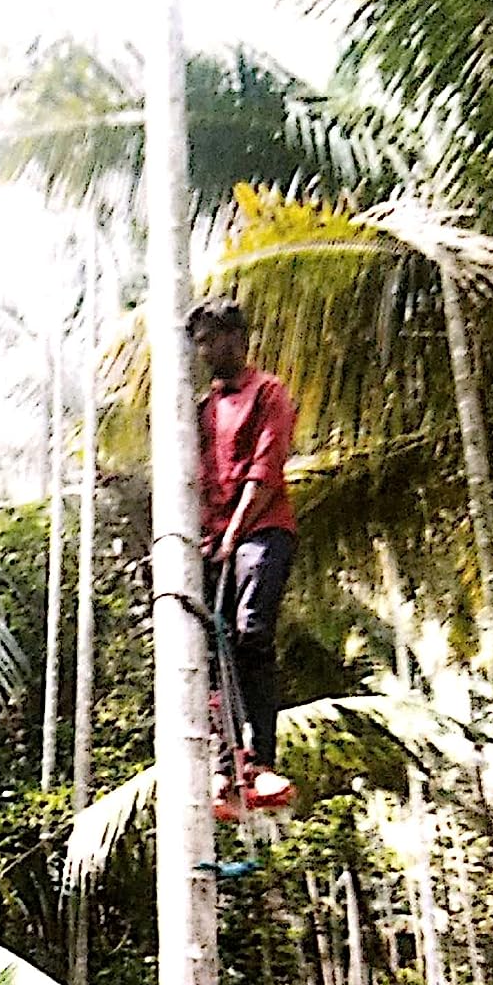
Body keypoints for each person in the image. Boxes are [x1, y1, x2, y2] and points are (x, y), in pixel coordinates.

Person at [189, 296, 295, 818]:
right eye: (200, 342)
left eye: (213, 339)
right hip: (213, 543)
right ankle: (225, 771)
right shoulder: (200, 411)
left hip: (262, 531)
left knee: (251, 632)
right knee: (214, 653)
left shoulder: (268, 392)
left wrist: (233, 533)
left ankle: (261, 761)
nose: (206, 350)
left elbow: (266, 469)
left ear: (237, 338)